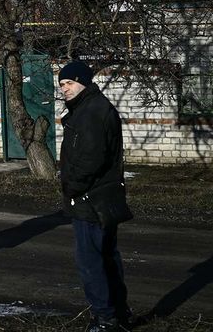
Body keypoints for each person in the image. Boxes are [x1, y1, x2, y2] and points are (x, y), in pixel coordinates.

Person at [59, 60, 132, 331]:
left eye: (69, 83)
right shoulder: (91, 108)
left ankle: (106, 319)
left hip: (91, 199)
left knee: (91, 261)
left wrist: (73, 187)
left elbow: (90, 158)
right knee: (106, 256)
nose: (65, 89)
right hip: (102, 198)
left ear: (84, 82)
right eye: (62, 84)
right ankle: (119, 313)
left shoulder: (90, 112)